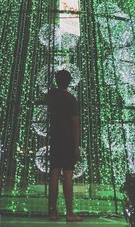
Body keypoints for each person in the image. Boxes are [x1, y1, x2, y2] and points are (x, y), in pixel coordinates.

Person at [46, 69, 83, 222]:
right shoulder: (71, 99)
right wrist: (76, 146)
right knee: (68, 175)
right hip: (67, 139)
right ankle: (69, 213)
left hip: (54, 138)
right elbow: (75, 124)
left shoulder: (51, 96)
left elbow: (47, 96)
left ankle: (53, 212)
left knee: (54, 175)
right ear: (69, 82)